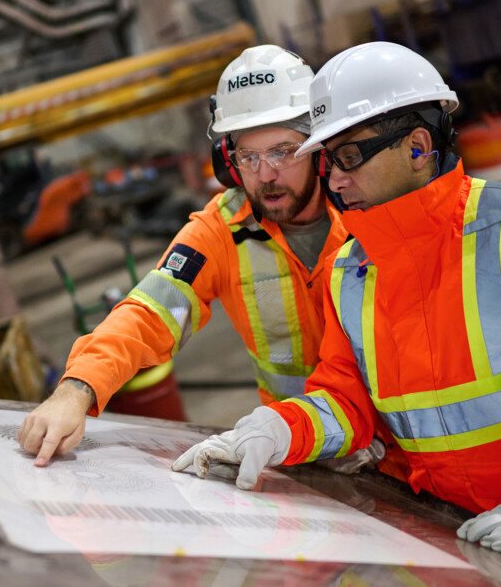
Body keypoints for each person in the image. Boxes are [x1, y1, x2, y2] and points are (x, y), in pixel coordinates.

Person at [172, 41, 501, 580]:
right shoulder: (351, 271)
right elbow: (346, 400)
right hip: (460, 553)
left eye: (348, 156)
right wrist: (278, 429)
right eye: (326, 160)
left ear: (417, 146)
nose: (334, 180)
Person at [19, 44, 365, 467]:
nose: (265, 175)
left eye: (282, 151)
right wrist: (77, 389)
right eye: (248, 157)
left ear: (317, 145)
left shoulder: (368, 203)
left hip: (399, 448)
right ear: (228, 162)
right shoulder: (222, 231)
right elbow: (151, 313)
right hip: (300, 450)